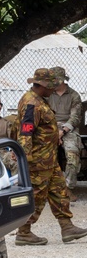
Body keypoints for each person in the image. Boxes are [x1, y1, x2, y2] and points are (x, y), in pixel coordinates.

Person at [14, 68, 87, 246]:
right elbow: (26, 133)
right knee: (38, 196)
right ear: (42, 86)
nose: (54, 89)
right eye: (51, 86)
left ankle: (67, 227)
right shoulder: (32, 104)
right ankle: (24, 232)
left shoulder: (40, 100)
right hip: (38, 161)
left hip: (49, 158)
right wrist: (25, 161)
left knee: (59, 191)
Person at [48, 67, 83, 197]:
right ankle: (46, 187)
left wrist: (62, 132)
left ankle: (68, 187)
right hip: (49, 128)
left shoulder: (74, 95)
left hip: (69, 129)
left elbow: (75, 117)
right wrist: (53, 131)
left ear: (61, 80)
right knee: (43, 155)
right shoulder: (47, 94)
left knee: (73, 156)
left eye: (54, 80)